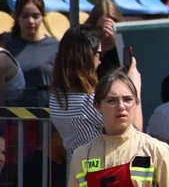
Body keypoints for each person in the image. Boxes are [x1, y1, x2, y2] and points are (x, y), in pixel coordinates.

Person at [51, 24, 143, 155]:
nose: (100, 61)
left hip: (79, 168)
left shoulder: (57, 95)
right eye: (99, 54)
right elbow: (134, 131)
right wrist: (134, 89)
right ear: (88, 55)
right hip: (102, 170)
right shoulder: (86, 101)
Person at [1, 0, 59, 107]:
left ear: (43, 16)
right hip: (14, 115)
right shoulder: (6, 46)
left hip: (45, 114)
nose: (30, 21)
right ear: (16, 17)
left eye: (35, 16)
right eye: (25, 16)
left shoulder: (56, 47)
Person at [83, 0, 137, 75]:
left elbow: (130, 70)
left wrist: (118, 43)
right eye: (100, 28)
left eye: (110, 28)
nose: (106, 34)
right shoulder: (85, 43)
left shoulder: (125, 44)